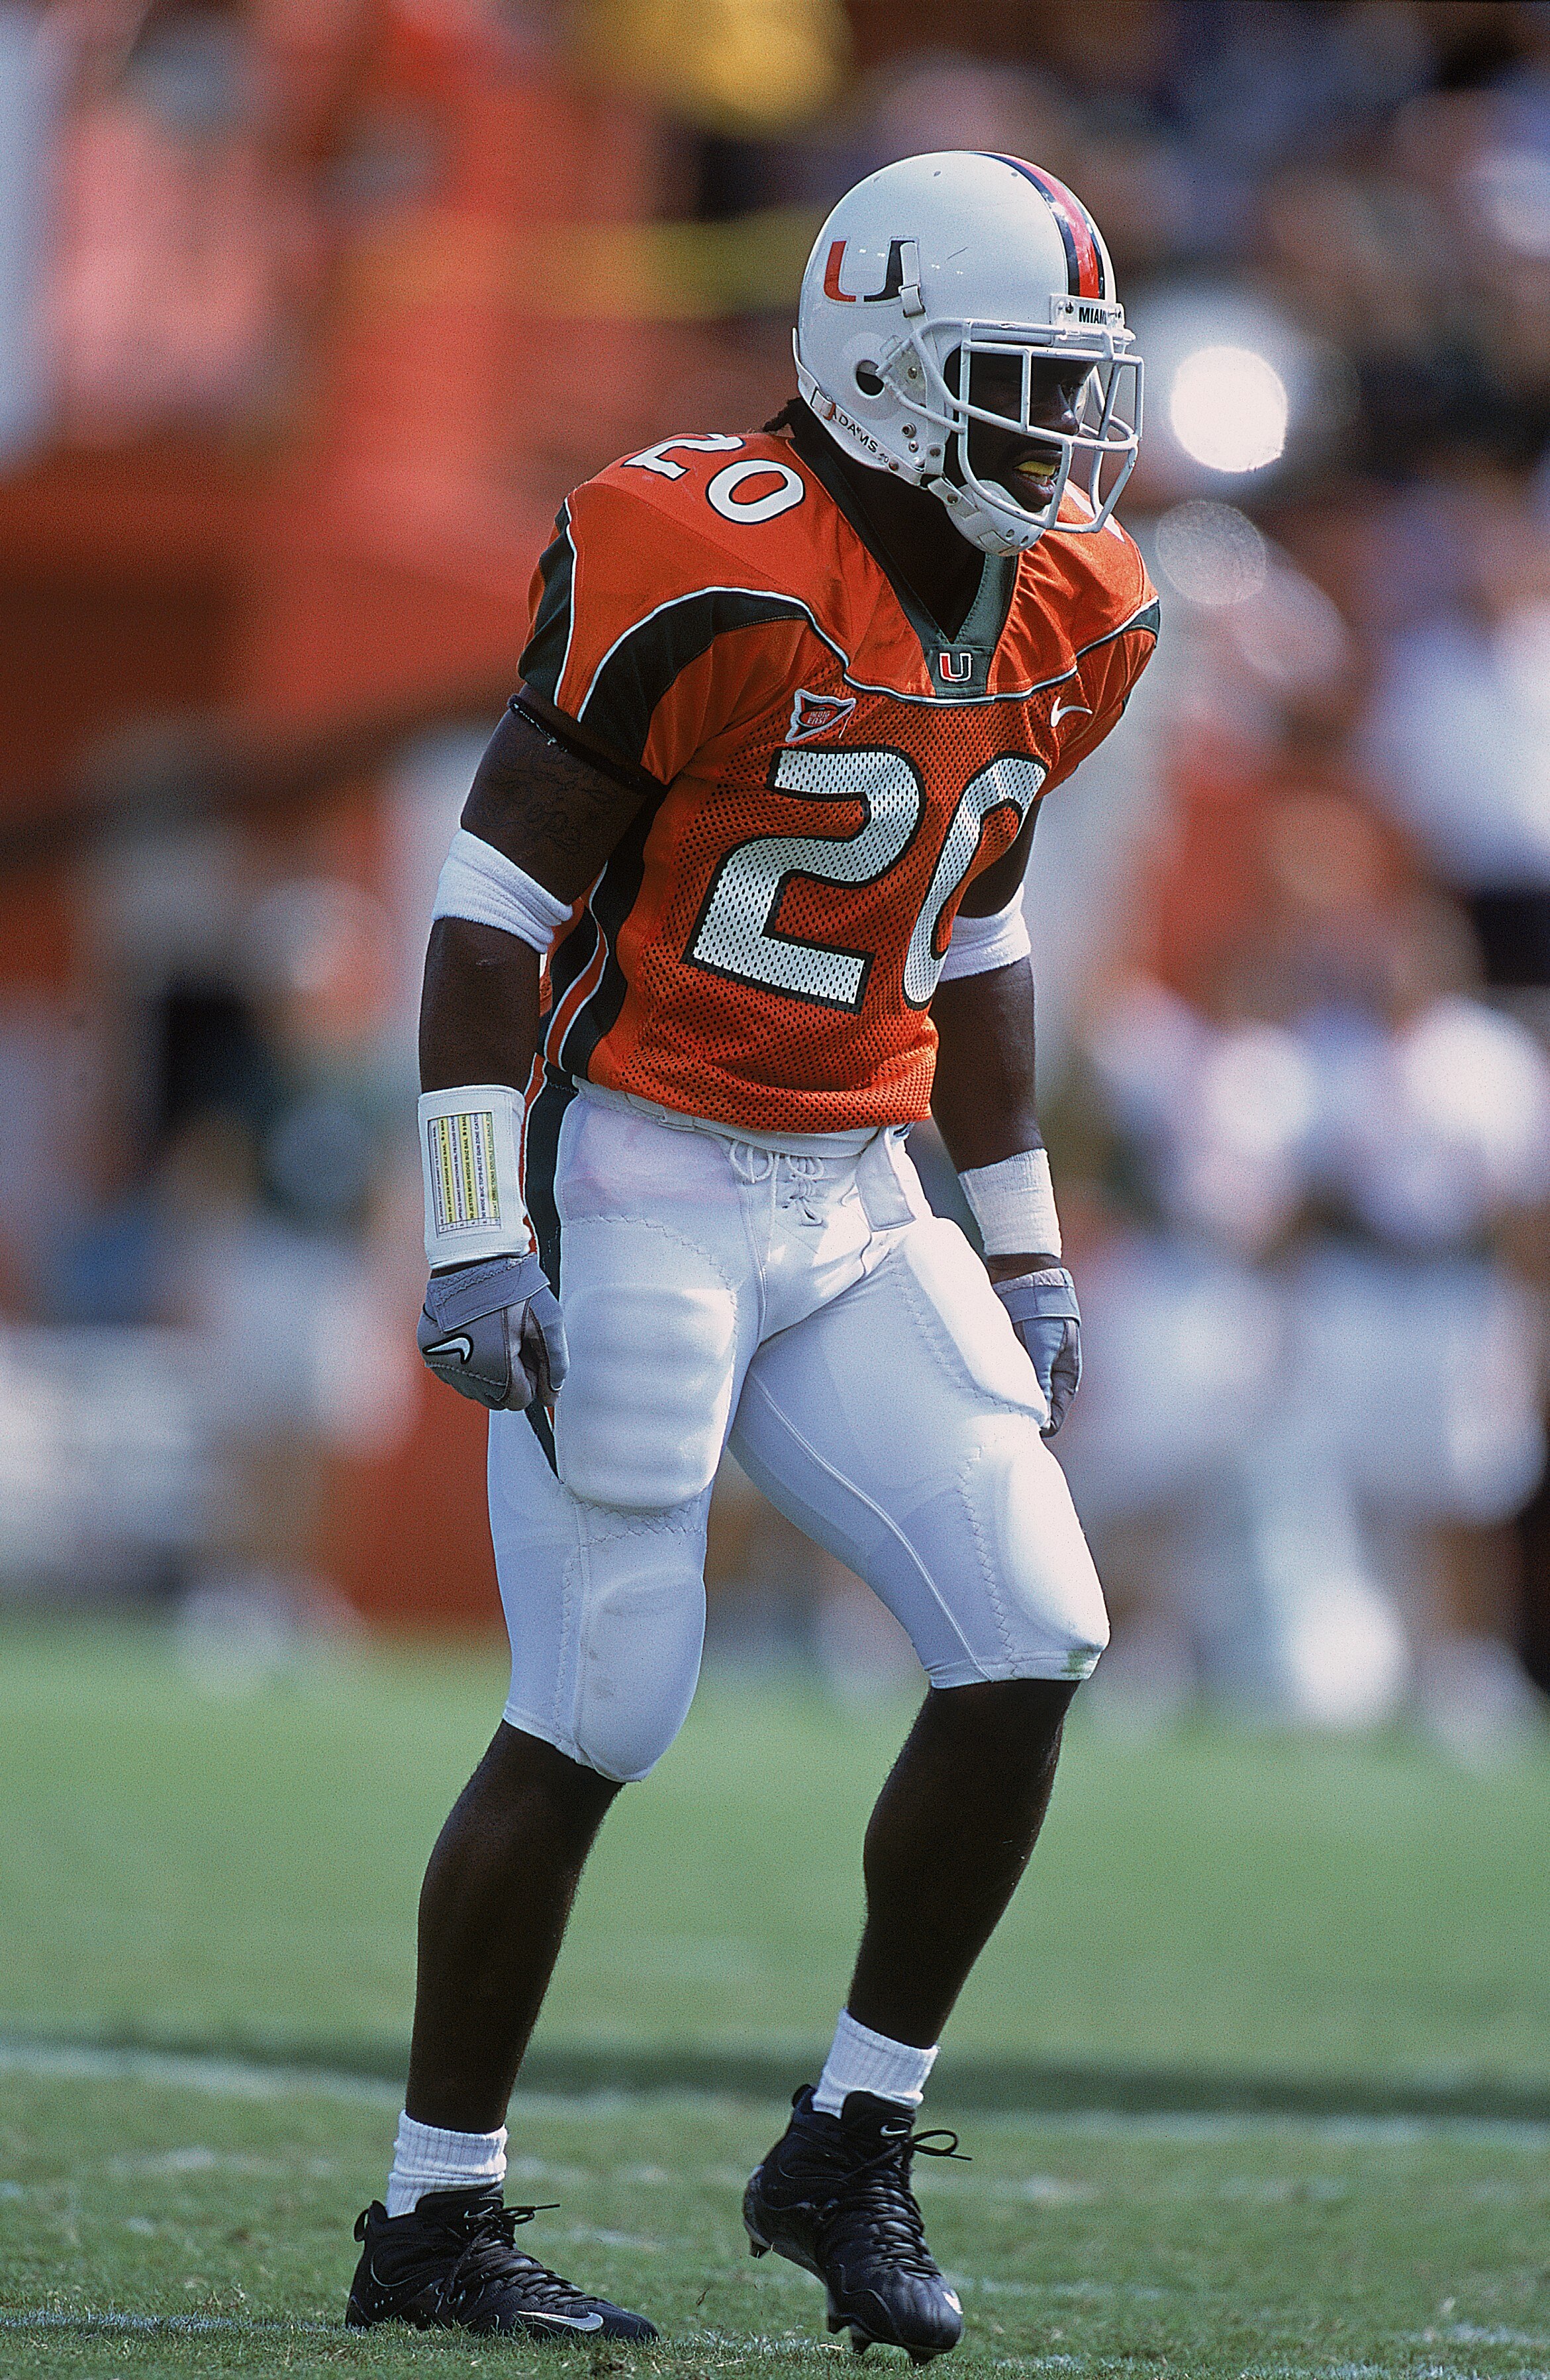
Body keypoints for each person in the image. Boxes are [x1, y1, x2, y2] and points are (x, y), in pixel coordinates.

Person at [346, 150, 1156, 2357]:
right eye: (1013, 385)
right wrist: (470, 1223)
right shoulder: (702, 554)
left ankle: (848, 2142)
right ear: (882, 370)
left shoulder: (1075, 597)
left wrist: (1025, 1233)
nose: (1063, 442)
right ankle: (433, 2215)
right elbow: (490, 914)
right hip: (643, 1173)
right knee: (603, 1704)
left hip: (859, 1180)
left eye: (1075, 389)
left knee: (1035, 1628)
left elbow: (972, 903)